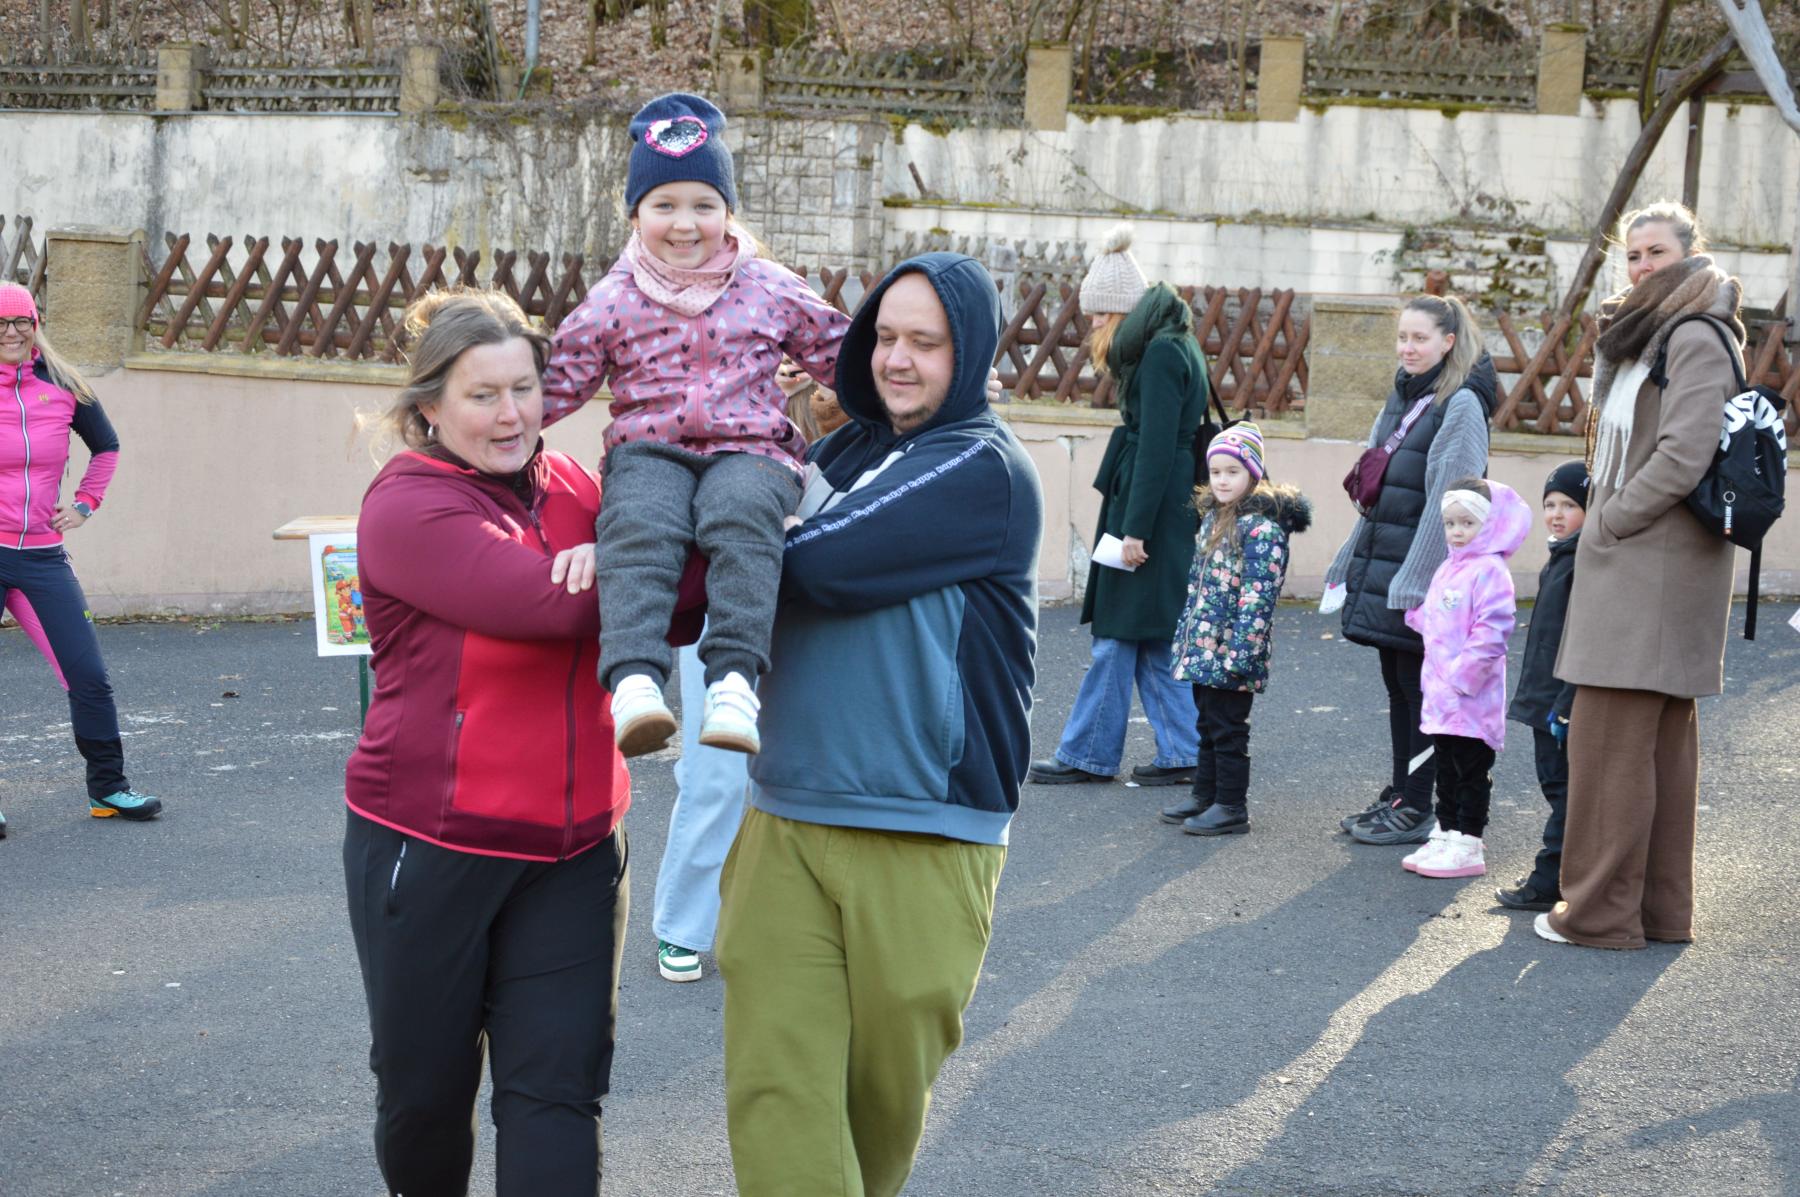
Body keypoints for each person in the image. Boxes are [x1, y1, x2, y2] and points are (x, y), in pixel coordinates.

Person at [342, 289, 701, 1195]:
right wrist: (637, 568)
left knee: (558, 1094)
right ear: (429, 407)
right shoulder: (407, 505)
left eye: (526, 389)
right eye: (481, 395)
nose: (511, 415)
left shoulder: (579, 485)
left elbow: (692, 599)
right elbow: (541, 604)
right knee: (424, 1098)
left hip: (577, 848)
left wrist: (624, 565)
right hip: (431, 846)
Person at [713, 252, 1042, 1197]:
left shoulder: (984, 469)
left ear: (969, 351)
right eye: (885, 337)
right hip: (786, 817)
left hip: (924, 830)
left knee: (875, 1113)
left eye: (925, 343)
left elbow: (813, 565)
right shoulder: (843, 450)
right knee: (778, 1094)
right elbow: (734, 534)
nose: (898, 359)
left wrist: (741, 532)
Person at [541, 92, 848, 760]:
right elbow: (555, 382)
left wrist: (938, 385)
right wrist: (477, 429)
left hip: (752, 450)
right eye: (665, 206)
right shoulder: (613, 298)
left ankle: (735, 681)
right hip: (649, 450)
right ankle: (634, 685)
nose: (686, 224)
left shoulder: (768, 285)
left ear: (728, 211)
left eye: (704, 205)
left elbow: (844, 353)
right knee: (638, 525)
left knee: (743, 517)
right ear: (636, 214)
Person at [1538, 203, 1744, 950]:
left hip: (1650, 561)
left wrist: (1610, 518)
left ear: (1691, 253)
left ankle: (1596, 914)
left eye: (1656, 251)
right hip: (1657, 564)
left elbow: (1686, 452)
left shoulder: (1693, 333)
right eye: (1631, 255)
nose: (1642, 266)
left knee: (1608, 745)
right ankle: (1655, 913)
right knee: (1654, 746)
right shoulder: (1658, 333)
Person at [650, 360, 844, 985]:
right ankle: (682, 926)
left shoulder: (853, 432)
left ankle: (779, 922)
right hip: (722, 615)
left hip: (803, 619)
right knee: (715, 774)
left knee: (799, 772)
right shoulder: (706, 413)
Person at [1028, 227, 1203, 789]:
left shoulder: (1156, 355)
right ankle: (1185, 752)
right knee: (1148, 636)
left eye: (1100, 316)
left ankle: (1087, 755)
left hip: (1148, 513)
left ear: (1123, 311)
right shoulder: (1173, 343)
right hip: (1161, 508)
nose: (1093, 326)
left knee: (1116, 636)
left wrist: (1133, 531)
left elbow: (1154, 449)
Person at [1326, 294, 1497, 846]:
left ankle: (1418, 803)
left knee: (1422, 690)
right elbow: (1379, 492)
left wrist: (1416, 581)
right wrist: (1348, 557)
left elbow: (1453, 505)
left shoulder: (1461, 404)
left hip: (1423, 579)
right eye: (1403, 337)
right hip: (1388, 564)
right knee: (1400, 686)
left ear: (1449, 342)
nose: (1408, 348)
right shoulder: (1403, 396)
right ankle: (1403, 790)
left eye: (1420, 338)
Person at [0, 281, 161, 831]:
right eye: (1, 324)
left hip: (43, 558)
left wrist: (87, 502)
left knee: (88, 676)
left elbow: (107, 447)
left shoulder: (63, 384)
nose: (12, 333)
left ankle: (109, 789)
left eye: (21, 322)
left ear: (35, 323)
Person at [1164, 421, 1312, 835]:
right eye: (1216, 472)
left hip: (1232, 651)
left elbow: (1258, 597)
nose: (1223, 480)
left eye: (1233, 471)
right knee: (1207, 723)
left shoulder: (1262, 528)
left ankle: (1231, 805)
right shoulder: (1214, 517)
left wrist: (1242, 654)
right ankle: (1205, 793)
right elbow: (1199, 587)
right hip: (1205, 646)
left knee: (1229, 729)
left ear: (1253, 473)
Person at [1398, 477, 1529, 879]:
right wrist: (1417, 617)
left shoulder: (1491, 571)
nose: (1457, 532)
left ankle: (1468, 840)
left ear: (1489, 525)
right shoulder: (1449, 567)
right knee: (1446, 765)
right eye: (1450, 523)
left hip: (1471, 697)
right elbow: (1443, 617)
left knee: (1470, 770)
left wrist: (1463, 678)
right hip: (1441, 694)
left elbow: (1492, 630)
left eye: (1467, 523)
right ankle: (1447, 829)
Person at [1495, 461, 1588, 912]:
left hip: (1557, 701)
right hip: (1540, 695)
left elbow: (1582, 641)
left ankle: (1549, 879)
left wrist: (1565, 702)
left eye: (1570, 504)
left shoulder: (1584, 565)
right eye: (1550, 503)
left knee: (1564, 790)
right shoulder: (1562, 557)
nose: (1556, 513)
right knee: (1555, 786)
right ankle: (1561, 873)